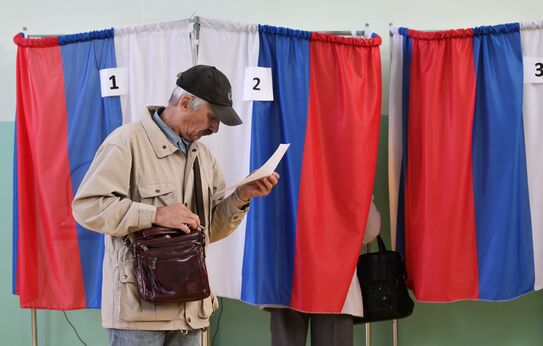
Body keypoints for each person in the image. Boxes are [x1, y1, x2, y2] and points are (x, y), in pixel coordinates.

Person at [72, 65, 280, 346]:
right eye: (213, 117)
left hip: (190, 313)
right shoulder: (125, 143)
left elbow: (209, 232)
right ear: (185, 103)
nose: (215, 128)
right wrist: (155, 214)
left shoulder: (204, 158)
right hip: (139, 316)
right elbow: (88, 207)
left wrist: (241, 197)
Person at [268, 197, 381, 346]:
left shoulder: (283, 174)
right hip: (335, 280)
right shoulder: (349, 174)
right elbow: (370, 229)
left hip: (287, 274)